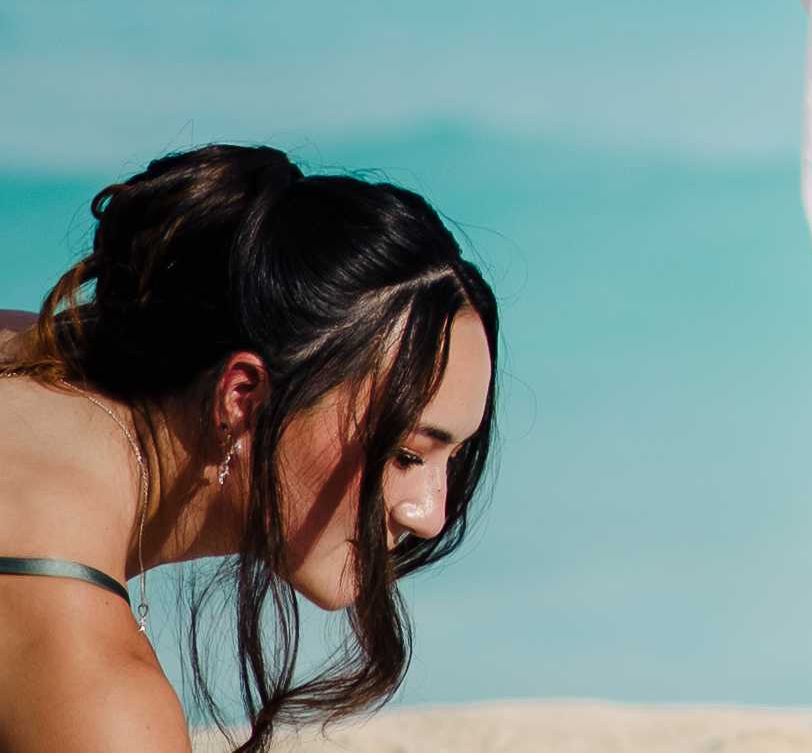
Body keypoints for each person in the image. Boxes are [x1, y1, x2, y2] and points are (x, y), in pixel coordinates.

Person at [0, 149, 496, 753]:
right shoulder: (89, 691)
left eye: (453, 458)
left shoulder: (23, 348)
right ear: (242, 396)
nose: (430, 514)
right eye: (407, 454)